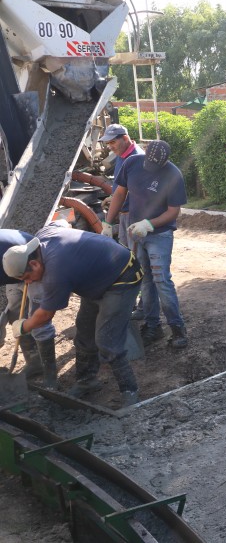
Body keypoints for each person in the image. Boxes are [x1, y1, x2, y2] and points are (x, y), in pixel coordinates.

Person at [2, 224, 142, 406]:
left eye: (26, 278)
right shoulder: (42, 240)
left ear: (34, 263)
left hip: (122, 277)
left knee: (107, 342)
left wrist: (23, 326)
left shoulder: (56, 272)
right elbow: (61, 224)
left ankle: (130, 392)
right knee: (84, 332)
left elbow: (44, 316)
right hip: (96, 278)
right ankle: (87, 381)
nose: (27, 283)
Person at [102, 140, 188, 349]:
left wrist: (149, 224)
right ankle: (153, 327)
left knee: (161, 280)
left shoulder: (173, 175)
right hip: (135, 233)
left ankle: (178, 329)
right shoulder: (132, 163)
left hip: (159, 234)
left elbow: (173, 211)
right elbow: (120, 194)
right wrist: (107, 222)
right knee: (145, 280)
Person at [0, 229, 58, 388]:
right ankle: (34, 360)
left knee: (37, 320)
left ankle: (51, 379)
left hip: (31, 265)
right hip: (12, 270)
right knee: (15, 315)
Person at [98, 123, 143, 247]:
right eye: (108, 143)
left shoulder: (136, 158)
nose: (110, 147)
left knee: (135, 256)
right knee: (125, 252)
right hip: (125, 213)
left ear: (125, 139)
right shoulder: (122, 154)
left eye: (112, 142)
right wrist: (113, 197)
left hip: (135, 216)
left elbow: (126, 192)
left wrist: (108, 223)